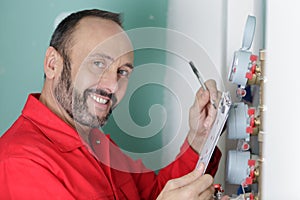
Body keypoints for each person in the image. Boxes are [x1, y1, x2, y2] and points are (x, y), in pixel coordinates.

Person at [0, 9, 227, 199]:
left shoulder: (97, 143)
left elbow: (157, 194)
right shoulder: (21, 161)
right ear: (52, 64)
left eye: (122, 71)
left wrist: (199, 139)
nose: (111, 85)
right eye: (98, 63)